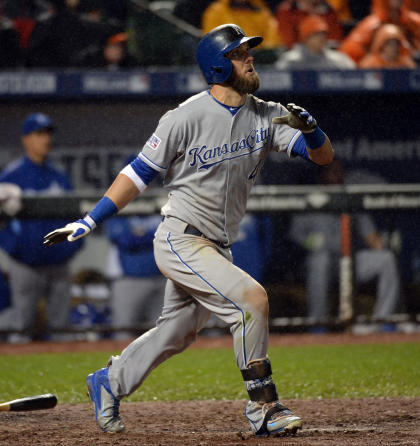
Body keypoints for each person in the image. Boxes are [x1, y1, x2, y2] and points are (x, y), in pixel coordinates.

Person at [44, 24, 334, 437]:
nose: (249, 58)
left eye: (248, 51)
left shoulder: (267, 113)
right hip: (181, 237)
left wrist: (311, 129)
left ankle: (109, 380)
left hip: (216, 245)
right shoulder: (185, 116)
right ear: (218, 66)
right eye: (239, 54)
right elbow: (139, 172)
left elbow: (322, 157)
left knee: (177, 333)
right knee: (251, 300)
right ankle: (264, 408)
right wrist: (92, 219)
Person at [0, 113, 83, 343]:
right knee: (22, 327)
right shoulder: (11, 175)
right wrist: (16, 249)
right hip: (25, 266)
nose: (45, 139)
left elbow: (77, 215)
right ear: (26, 139)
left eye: (47, 133)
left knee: (61, 329)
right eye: (39, 134)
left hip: (59, 265)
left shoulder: (59, 176)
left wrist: (70, 249)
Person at [289, 160, 400, 332]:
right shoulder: (311, 199)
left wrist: (386, 243)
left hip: (350, 263)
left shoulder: (349, 199)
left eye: (339, 172)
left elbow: (373, 239)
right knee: (321, 260)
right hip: (319, 265)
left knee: (386, 259)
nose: (337, 176)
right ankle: (318, 324)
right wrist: (310, 243)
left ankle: (382, 321)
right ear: (322, 176)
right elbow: (293, 238)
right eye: (332, 172)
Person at [106, 214, 166, 340]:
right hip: (128, 280)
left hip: (164, 278)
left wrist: (141, 235)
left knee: (164, 332)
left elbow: (173, 235)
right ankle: (124, 361)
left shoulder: (164, 203)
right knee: (124, 331)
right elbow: (125, 240)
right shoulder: (121, 204)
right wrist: (157, 235)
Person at [339, 0, 420, 64]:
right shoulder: (372, 24)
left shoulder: (413, 21)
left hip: (406, 66)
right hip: (379, 68)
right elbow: (349, 52)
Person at [276, 15, 356, 69]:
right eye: (316, 34)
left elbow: (355, 78)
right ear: (305, 38)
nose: (321, 38)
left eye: (323, 34)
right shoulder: (291, 60)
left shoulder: (338, 60)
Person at [202, 0, 282, 51]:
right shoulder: (216, 11)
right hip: (228, 56)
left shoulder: (261, 10)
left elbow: (272, 34)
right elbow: (211, 39)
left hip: (258, 57)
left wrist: (264, 50)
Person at [275, 0, 344, 48]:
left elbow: (335, 41)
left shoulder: (330, 11)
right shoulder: (287, 10)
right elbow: (288, 42)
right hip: (298, 57)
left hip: (325, 57)